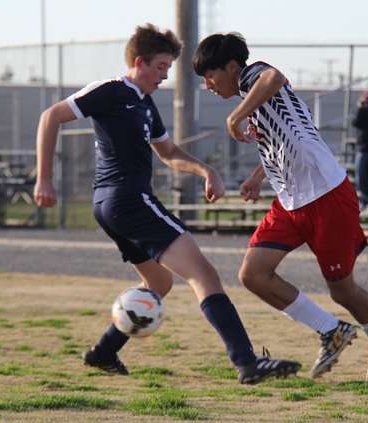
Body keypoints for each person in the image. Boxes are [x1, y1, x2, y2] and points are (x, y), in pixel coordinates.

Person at [33, 23, 300, 385]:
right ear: (139, 62)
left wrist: (206, 171)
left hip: (116, 204)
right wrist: (45, 178)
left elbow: (169, 153)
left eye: (167, 69)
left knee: (158, 283)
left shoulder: (144, 103)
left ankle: (103, 352)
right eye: (160, 67)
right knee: (203, 274)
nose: (164, 76)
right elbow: (51, 116)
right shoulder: (113, 91)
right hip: (127, 198)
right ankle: (247, 362)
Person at [193, 32, 368, 382]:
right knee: (252, 275)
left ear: (231, 67)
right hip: (290, 201)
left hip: (326, 195)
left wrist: (234, 118)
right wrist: (258, 176)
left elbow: (272, 77)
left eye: (210, 75)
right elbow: (287, 137)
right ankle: (330, 331)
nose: (208, 84)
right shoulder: (255, 97)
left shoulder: (253, 76)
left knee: (342, 290)